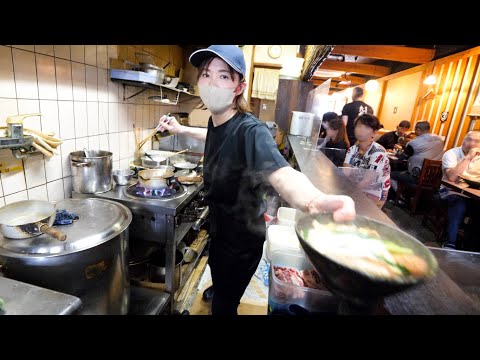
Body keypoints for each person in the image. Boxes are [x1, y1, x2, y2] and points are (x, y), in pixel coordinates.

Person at [157, 45, 356, 315]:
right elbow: (212, 137)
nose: (212, 82)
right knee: (218, 272)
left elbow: (281, 172)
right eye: (206, 74)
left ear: (239, 87)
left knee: (223, 307)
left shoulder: (252, 131)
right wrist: (180, 129)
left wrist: (313, 201)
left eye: (224, 76)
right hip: (219, 229)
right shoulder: (215, 121)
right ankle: (222, 286)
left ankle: (225, 296)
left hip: (240, 241)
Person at [438, 131, 480, 249]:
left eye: (476, 141)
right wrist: (468, 157)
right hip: (448, 191)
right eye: (469, 139)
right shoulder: (451, 154)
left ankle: (471, 246)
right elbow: (451, 178)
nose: (471, 143)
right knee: (459, 203)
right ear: (463, 139)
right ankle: (450, 242)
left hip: (471, 193)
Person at [343, 113, 391, 207]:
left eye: (367, 127)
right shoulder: (353, 149)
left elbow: (367, 181)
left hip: (376, 191)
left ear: (374, 132)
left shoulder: (378, 152)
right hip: (358, 187)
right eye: (359, 126)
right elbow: (346, 173)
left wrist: (348, 193)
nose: (361, 130)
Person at [388, 121, 444, 200]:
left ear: (418, 129)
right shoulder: (440, 140)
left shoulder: (414, 143)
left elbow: (403, 157)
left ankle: (401, 197)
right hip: (433, 179)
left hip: (416, 177)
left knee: (391, 174)